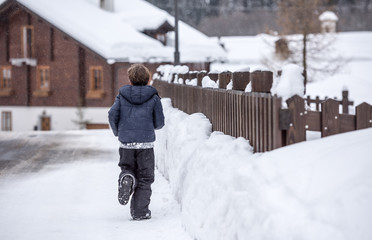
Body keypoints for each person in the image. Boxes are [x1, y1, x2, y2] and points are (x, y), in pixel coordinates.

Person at [108, 64, 165, 221]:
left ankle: (127, 177)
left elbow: (112, 114)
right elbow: (159, 123)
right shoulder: (154, 98)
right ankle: (140, 212)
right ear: (148, 80)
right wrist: (148, 125)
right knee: (145, 178)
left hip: (126, 143)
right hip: (145, 144)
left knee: (127, 167)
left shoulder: (121, 96)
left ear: (130, 80)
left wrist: (118, 132)